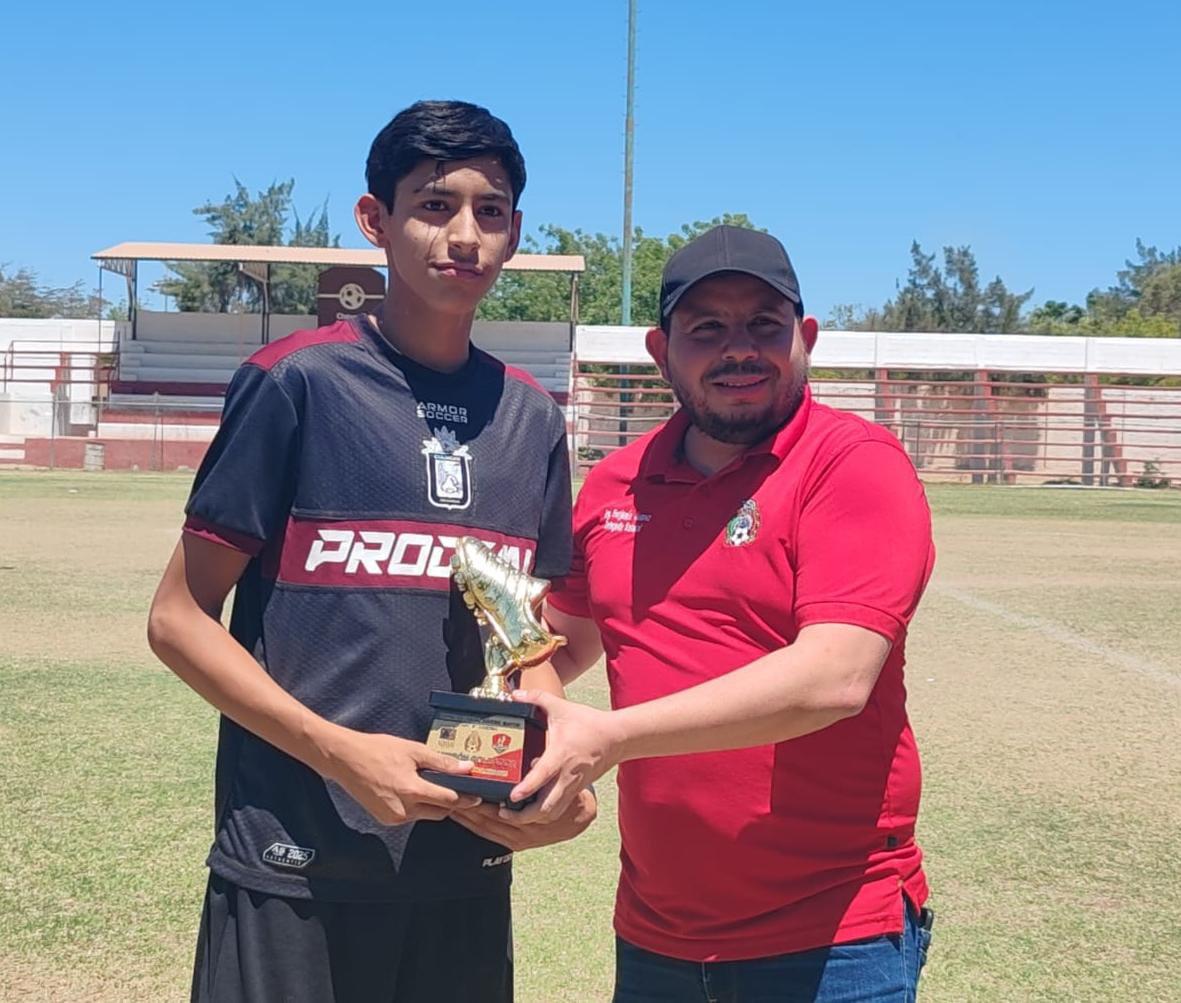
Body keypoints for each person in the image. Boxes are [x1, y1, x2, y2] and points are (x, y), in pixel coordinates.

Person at [147, 99, 595, 1003]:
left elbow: (522, 642)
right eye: (433, 205)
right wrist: (339, 752)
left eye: (490, 211)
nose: (464, 234)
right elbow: (177, 619)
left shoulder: (530, 418)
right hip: (295, 864)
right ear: (374, 219)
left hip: (463, 868)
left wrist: (554, 764)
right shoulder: (295, 381)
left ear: (514, 233)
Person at [506, 226, 936, 1001]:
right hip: (656, 932)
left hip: (832, 937)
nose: (738, 349)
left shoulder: (852, 464)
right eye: (706, 328)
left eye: (763, 324)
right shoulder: (613, 484)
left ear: (805, 337)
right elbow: (558, 644)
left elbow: (834, 677)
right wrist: (517, 716)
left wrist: (608, 735)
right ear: (660, 351)